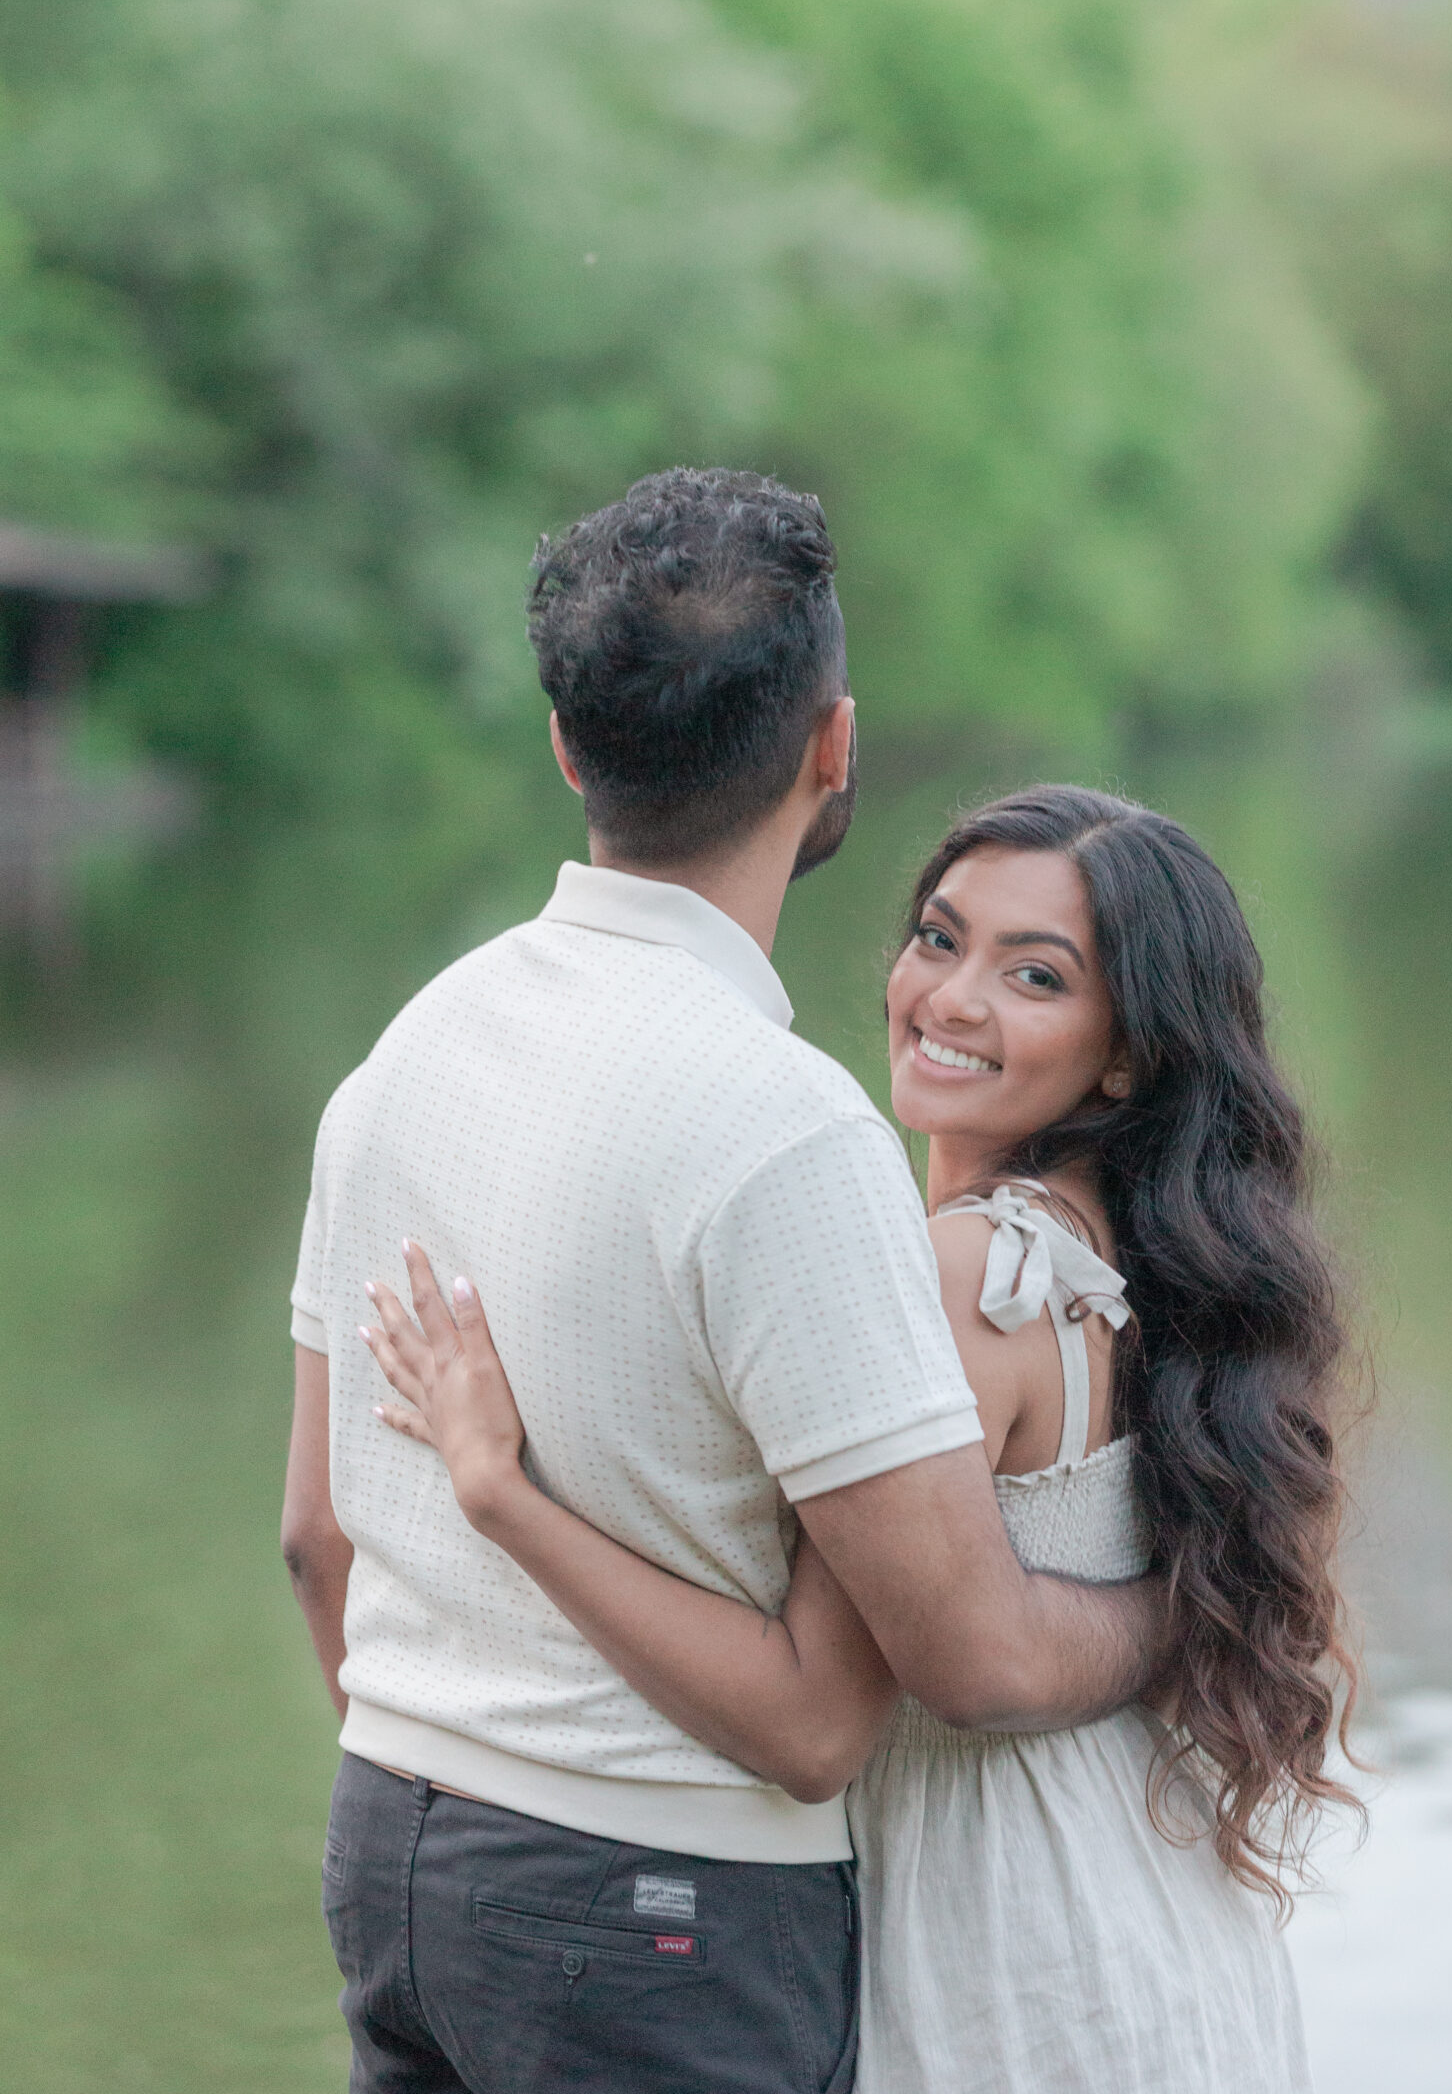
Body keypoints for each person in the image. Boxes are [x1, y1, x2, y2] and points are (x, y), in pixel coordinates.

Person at [281, 470, 1169, 2094]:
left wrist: (454, 1781)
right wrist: (1191, 1607)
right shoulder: (788, 1133)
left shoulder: (404, 1056)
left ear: (565, 748)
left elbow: (314, 1536)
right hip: (660, 1912)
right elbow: (902, 1693)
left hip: (390, 1850)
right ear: (834, 750)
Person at [362, 782, 1359, 2092]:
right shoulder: (1138, 1254)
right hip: (1145, 1899)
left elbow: (841, 1698)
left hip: (1002, 1925)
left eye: (1036, 976)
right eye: (939, 939)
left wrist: (502, 1492)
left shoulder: (965, 1275)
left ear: (1123, 1054)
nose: (950, 998)